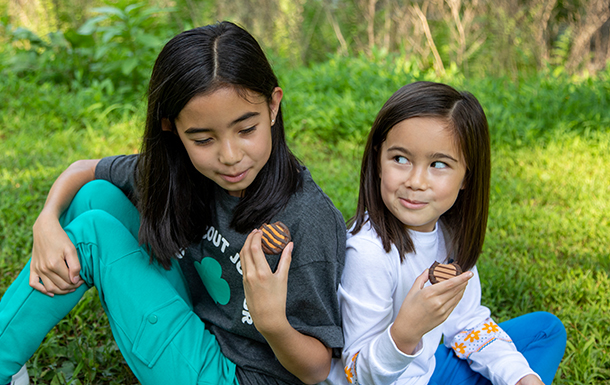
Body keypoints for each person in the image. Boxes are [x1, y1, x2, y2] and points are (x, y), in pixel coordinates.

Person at [0, 21, 346, 385]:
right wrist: (47, 221)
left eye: (246, 130)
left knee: (91, 233)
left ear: (273, 106)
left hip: (242, 377)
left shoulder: (307, 217)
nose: (229, 156)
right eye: (203, 139)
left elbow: (317, 369)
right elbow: (83, 170)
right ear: (172, 128)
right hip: (199, 325)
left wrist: (272, 322)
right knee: (93, 198)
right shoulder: (181, 173)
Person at [323, 82, 566, 385]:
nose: (416, 181)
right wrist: (405, 334)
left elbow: (467, 323)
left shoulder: (448, 237)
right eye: (400, 158)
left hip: (427, 374)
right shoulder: (368, 253)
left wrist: (522, 378)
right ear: (377, 160)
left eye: (438, 164)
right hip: (378, 378)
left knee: (545, 330)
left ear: (467, 176)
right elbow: (356, 374)